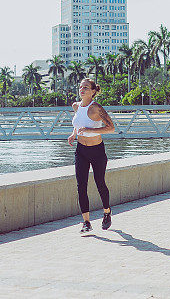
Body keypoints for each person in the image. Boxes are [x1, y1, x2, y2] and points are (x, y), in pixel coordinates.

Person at [68, 77, 116, 233]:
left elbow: (111, 128)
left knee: (100, 182)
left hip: (97, 151)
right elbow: (78, 124)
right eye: (81, 87)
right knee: (81, 186)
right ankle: (86, 222)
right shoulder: (76, 106)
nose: (82, 89)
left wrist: (91, 131)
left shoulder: (96, 108)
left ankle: (107, 212)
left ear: (93, 91)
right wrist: (73, 134)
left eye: (86, 88)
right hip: (81, 150)